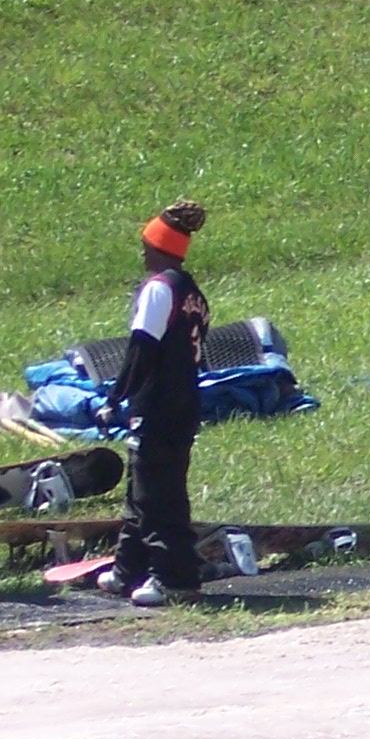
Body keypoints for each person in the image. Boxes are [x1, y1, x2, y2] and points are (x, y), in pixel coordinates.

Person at [100, 202, 214, 608]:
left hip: (159, 405)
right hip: (185, 402)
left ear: (159, 248)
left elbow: (141, 350)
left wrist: (115, 397)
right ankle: (127, 570)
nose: (143, 253)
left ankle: (175, 578)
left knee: (158, 497)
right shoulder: (192, 292)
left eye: (146, 246)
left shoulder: (158, 289)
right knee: (140, 490)